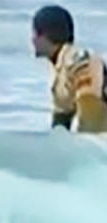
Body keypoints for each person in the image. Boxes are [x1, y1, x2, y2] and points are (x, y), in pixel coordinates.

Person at [32, 5, 107, 133]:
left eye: (34, 33)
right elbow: (61, 123)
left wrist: (86, 148)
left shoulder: (79, 61)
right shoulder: (60, 75)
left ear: (42, 35)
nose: (32, 40)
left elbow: (91, 106)